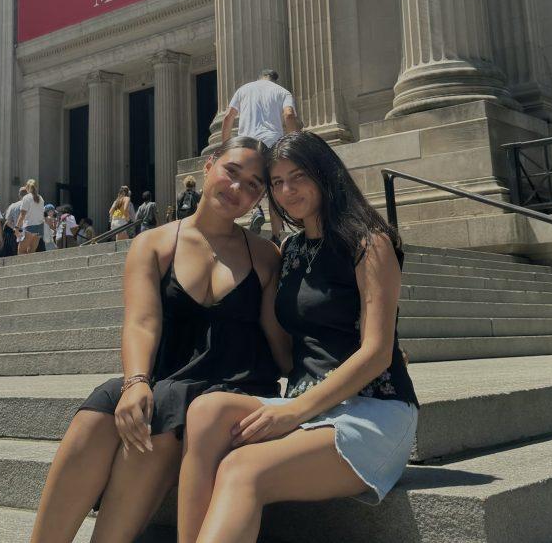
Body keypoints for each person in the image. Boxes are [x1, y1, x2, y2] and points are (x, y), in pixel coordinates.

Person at [29, 137, 285, 543]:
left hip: (234, 384)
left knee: (165, 407)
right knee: (102, 406)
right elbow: (141, 322)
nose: (238, 189)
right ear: (207, 167)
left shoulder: (266, 255)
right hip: (169, 377)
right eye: (232, 172)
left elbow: (279, 341)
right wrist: (135, 382)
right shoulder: (154, 243)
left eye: (254, 185)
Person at [176, 131, 419, 543]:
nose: (287, 191)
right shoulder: (290, 250)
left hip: (373, 411)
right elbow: (286, 350)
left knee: (242, 469)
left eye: (299, 176)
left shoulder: (369, 242)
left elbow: (376, 353)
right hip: (309, 404)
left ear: (325, 175)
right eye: (276, 182)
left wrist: (293, 412)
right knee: (205, 411)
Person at [220, 69, 302, 243]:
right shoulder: (282, 92)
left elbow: (228, 117)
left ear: (259, 78)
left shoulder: (244, 89)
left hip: (247, 145)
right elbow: (289, 115)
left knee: (242, 185)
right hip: (272, 144)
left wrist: (226, 147)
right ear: (275, 80)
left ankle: (252, 213)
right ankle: (276, 236)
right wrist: (295, 144)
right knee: (273, 189)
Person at [15, 179, 46, 254]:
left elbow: (22, 215)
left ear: (27, 187)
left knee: (21, 251)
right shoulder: (40, 198)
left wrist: (16, 228)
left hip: (30, 226)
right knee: (31, 251)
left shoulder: (26, 198)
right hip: (40, 227)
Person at [0, 187, 27, 258]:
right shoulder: (31, 205)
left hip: (15, 233)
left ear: (19, 195)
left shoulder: (12, 206)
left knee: (16, 253)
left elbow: (8, 222)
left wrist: (15, 229)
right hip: (28, 232)